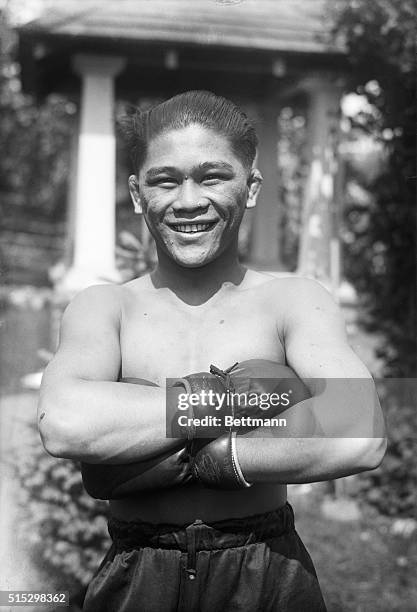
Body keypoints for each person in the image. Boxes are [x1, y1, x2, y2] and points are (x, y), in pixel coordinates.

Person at [38, 90, 386, 612]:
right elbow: (64, 422)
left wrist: (221, 458)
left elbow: (359, 432)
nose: (188, 200)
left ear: (251, 186)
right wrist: (254, 403)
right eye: (165, 180)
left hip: (267, 570)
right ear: (137, 194)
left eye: (212, 176)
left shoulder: (292, 300)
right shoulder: (104, 307)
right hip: (138, 575)